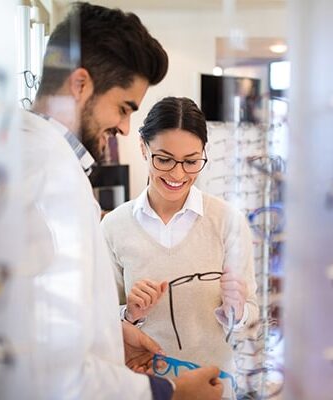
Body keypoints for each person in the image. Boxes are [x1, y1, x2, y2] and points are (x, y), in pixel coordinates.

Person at [20, 3, 224, 399]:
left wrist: (111, 335)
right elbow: (51, 368)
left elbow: (40, 320)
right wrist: (170, 394)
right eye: (123, 107)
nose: (125, 127)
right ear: (80, 85)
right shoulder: (49, 177)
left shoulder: (47, 163)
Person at [101, 97, 259, 398]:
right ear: (143, 147)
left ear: (204, 154)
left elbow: (250, 314)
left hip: (215, 387)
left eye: (190, 161)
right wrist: (129, 314)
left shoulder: (227, 220)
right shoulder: (113, 226)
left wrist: (236, 311)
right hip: (147, 388)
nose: (177, 174)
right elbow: (101, 320)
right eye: (164, 159)